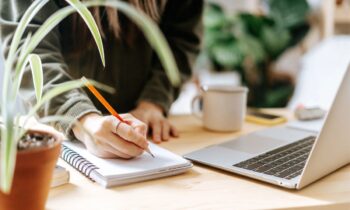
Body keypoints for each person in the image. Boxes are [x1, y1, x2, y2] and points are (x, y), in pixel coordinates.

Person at [0, 0, 203, 159]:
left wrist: (153, 101)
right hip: (46, 132)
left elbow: (182, 39)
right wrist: (81, 118)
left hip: (141, 127)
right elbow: (29, 49)